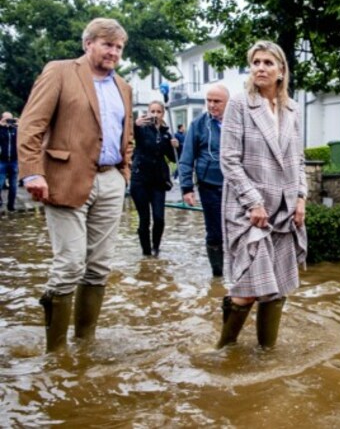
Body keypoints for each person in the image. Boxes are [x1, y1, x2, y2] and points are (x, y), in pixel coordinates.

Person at [17, 18, 133, 353]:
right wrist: (32, 172)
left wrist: (125, 172)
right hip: (64, 179)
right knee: (69, 263)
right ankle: (55, 354)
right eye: (107, 44)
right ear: (88, 44)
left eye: (118, 47)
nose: (113, 52)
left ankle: (85, 344)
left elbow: (128, 137)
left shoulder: (123, 87)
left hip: (111, 180)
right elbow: (31, 124)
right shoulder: (60, 71)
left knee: (98, 266)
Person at [216, 40, 307, 349]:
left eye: (268, 63)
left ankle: (266, 353)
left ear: (281, 71)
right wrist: (253, 201)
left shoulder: (292, 109)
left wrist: (301, 198)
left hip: (284, 211)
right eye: (256, 62)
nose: (260, 68)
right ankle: (223, 351)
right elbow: (228, 159)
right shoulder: (240, 104)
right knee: (247, 287)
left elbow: (299, 159)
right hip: (249, 210)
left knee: (278, 287)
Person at [178, 84, 229, 276]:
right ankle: (218, 273)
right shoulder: (198, 124)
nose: (212, 105)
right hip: (209, 185)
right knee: (215, 231)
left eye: (217, 101)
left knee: (235, 228)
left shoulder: (238, 122)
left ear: (227, 102)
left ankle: (237, 270)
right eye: (209, 100)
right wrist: (186, 187)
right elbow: (187, 157)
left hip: (235, 186)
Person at [130, 101, 179, 256]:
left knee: (159, 218)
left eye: (158, 112)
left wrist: (176, 146)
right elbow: (127, 136)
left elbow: (172, 158)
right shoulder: (141, 129)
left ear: (163, 114)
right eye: (153, 111)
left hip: (158, 181)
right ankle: (146, 253)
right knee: (144, 219)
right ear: (148, 112)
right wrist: (134, 125)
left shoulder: (166, 133)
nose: (155, 115)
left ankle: (155, 248)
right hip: (140, 180)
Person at [0, 111, 18, 212]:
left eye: (10, 119)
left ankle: (11, 205)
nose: (9, 121)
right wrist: (1, 126)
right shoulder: (1, 130)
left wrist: (21, 124)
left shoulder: (16, 129)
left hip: (14, 161)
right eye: (6, 119)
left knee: (13, 185)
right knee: (0, 183)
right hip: (2, 160)